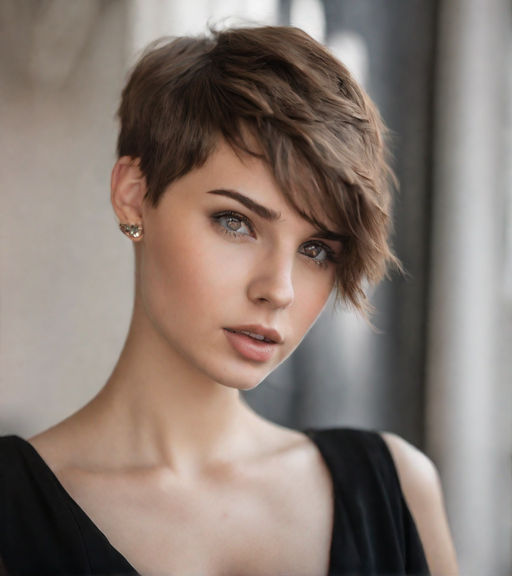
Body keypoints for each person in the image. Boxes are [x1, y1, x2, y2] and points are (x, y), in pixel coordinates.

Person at [0, 25, 458, 576]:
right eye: (236, 222)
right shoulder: (13, 510)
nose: (279, 289)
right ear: (133, 196)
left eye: (316, 249)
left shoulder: (396, 491)